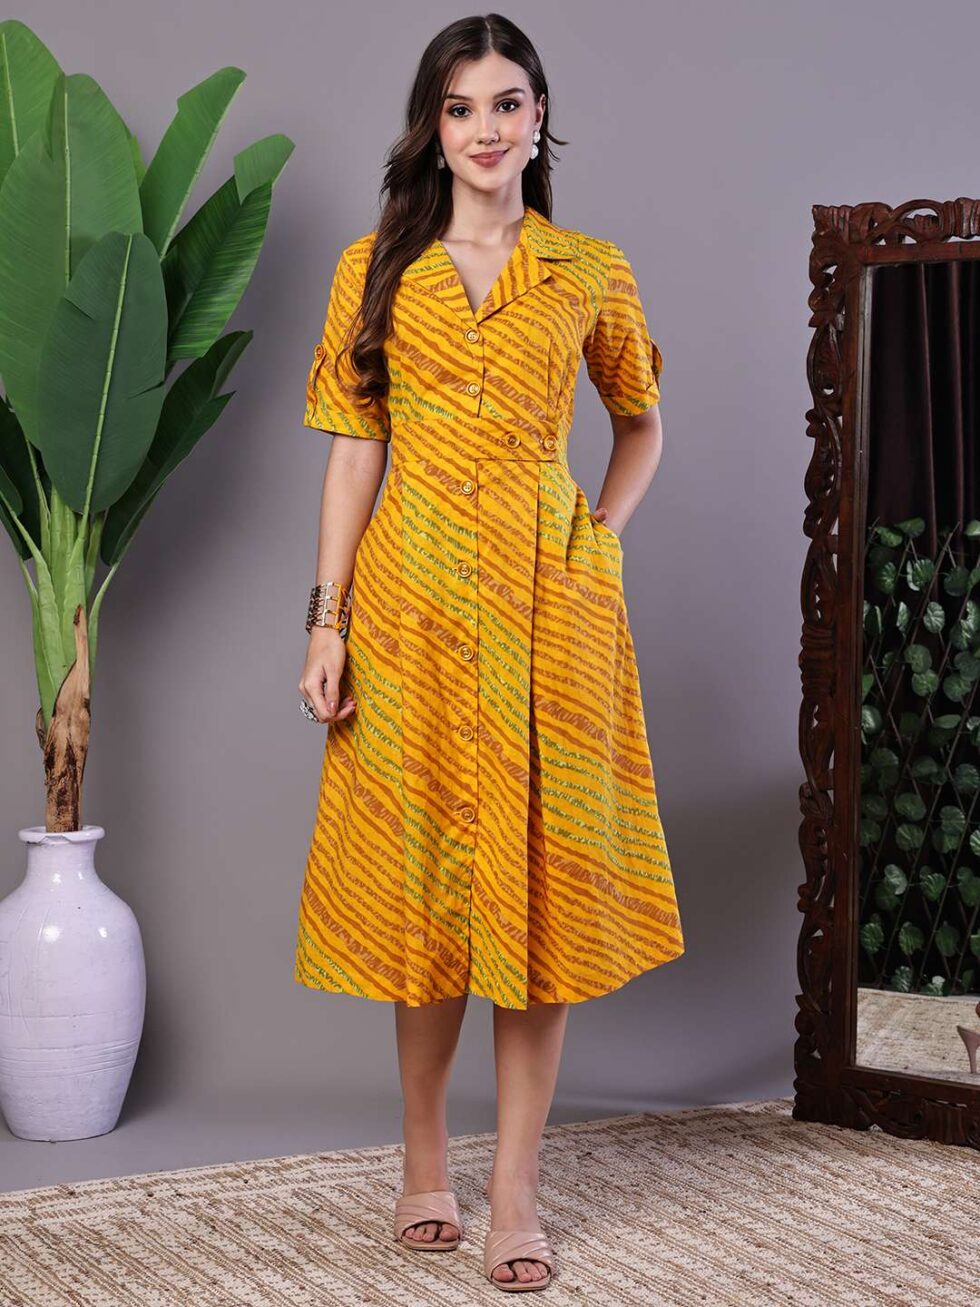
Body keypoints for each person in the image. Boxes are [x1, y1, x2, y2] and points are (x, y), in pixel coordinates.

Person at [295, 12, 684, 1293]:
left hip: (547, 618)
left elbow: (639, 424)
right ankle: (424, 1159)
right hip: (407, 613)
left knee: (537, 889)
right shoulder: (374, 269)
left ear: (537, 118)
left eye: (505, 103)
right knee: (423, 891)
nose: (483, 129)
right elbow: (354, 452)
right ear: (432, 125)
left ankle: (514, 1184)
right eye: (459, 107)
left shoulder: (587, 269)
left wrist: (594, 542)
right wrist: (327, 617)